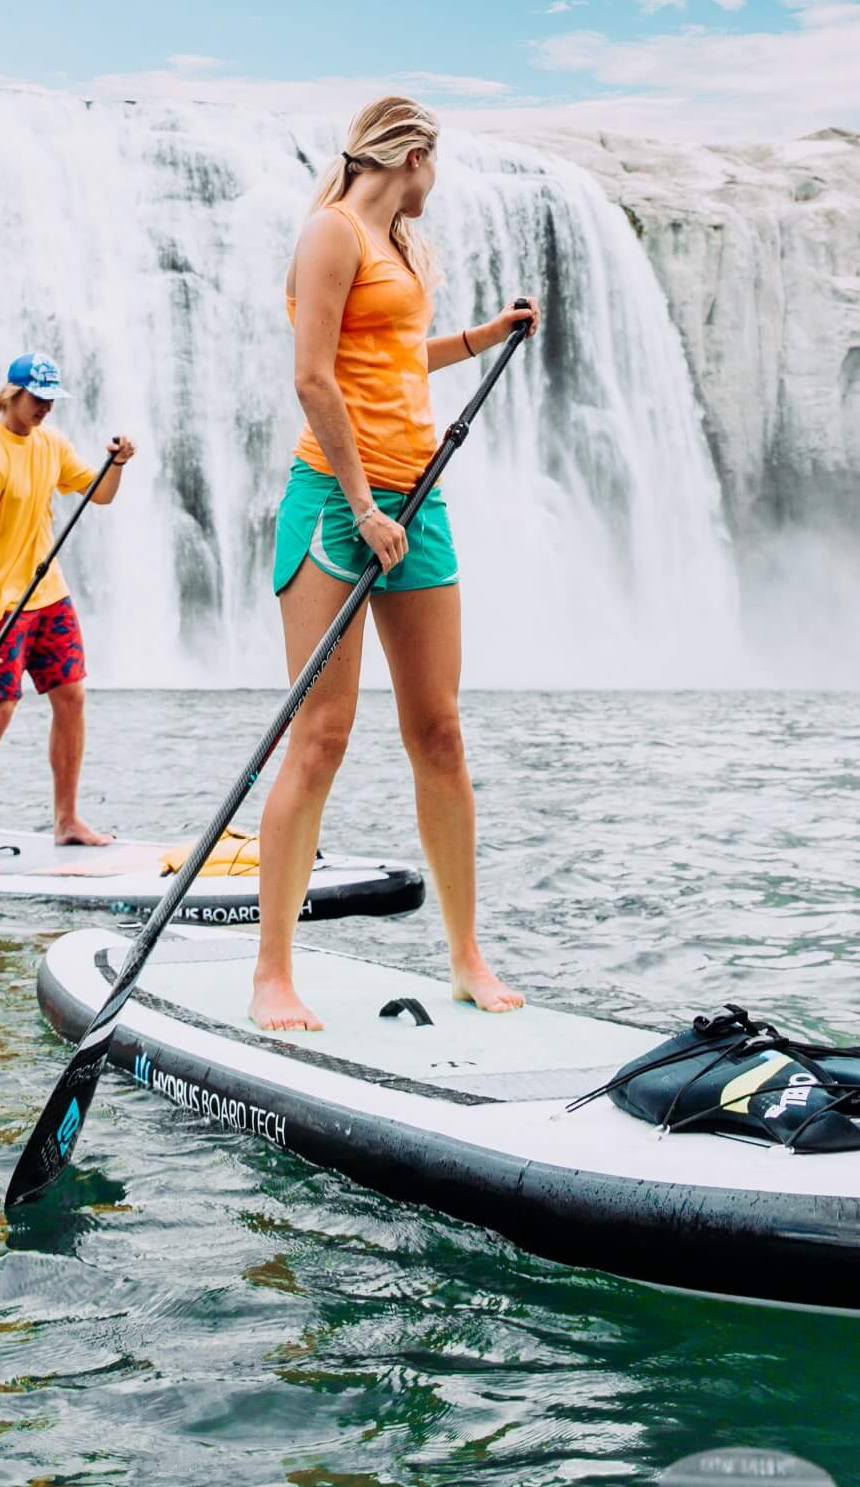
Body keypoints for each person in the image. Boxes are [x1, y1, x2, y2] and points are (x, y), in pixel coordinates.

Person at [251, 96, 538, 1032]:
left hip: (420, 501)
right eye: (433, 167)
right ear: (412, 155)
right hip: (338, 503)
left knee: (439, 732)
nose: (434, 185)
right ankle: (273, 974)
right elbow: (312, 375)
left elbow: (399, 360)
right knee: (321, 736)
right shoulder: (330, 234)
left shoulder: (402, 249)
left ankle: (464, 955)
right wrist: (364, 505)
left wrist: (487, 336)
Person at [0, 353, 135, 876]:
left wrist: (116, 465)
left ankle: (67, 820)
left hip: (47, 594)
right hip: (0, 607)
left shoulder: (51, 444)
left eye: (51, 399)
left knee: (72, 697)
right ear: (10, 394)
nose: (45, 408)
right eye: (37, 398)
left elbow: (98, 495)